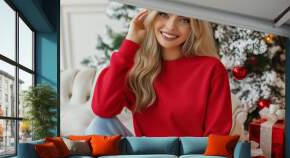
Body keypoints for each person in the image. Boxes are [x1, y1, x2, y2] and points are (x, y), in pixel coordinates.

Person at [85, 9, 232, 137]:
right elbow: (102, 108)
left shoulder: (211, 68)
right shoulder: (136, 68)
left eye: (184, 20)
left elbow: (217, 132)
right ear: (151, 17)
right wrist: (130, 42)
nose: (171, 26)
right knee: (100, 124)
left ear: (194, 26)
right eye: (163, 14)